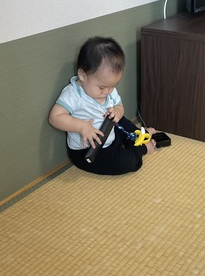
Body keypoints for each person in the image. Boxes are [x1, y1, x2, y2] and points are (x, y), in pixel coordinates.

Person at [49, 36, 157, 175]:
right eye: (102, 87)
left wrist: (118, 112)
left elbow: (120, 106)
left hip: (110, 133)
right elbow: (55, 117)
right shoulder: (74, 94)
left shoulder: (108, 89)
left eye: (113, 86)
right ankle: (141, 148)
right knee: (125, 163)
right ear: (83, 75)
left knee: (122, 121)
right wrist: (82, 126)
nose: (107, 92)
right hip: (89, 151)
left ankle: (141, 135)